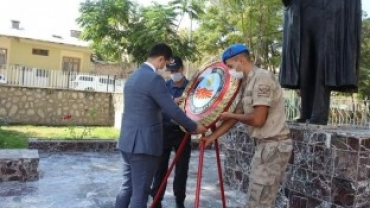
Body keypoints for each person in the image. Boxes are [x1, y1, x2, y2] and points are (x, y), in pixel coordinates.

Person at [201, 43, 293, 208]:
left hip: (274, 146)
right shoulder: (247, 82)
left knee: (259, 201)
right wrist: (211, 137)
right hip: (266, 147)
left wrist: (232, 115)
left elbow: (258, 119)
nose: (230, 71)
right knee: (256, 198)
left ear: (240, 61)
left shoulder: (262, 78)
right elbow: (235, 117)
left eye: (230, 66)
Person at [115, 43, 207, 208]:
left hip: (127, 142)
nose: (165, 68)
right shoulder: (154, 79)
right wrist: (194, 127)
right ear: (160, 59)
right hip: (143, 145)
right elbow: (171, 109)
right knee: (140, 194)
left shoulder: (133, 77)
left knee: (126, 187)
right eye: (165, 64)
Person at [280, 0, 361, 125]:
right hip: (301, 9)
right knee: (303, 64)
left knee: (323, 63)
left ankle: (319, 114)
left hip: (328, 9)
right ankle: (306, 112)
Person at [150, 56, 191, 208]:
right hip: (165, 131)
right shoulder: (164, 85)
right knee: (160, 168)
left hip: (183, 132)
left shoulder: (191, 88)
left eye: (176, 70)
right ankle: (156, 199)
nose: (173, 73)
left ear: (182, 69)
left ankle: (179, 200)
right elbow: (158, 107)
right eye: (171, 70)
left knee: (181, 169)